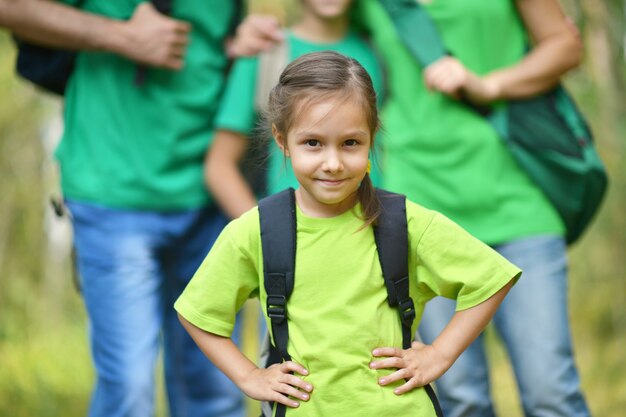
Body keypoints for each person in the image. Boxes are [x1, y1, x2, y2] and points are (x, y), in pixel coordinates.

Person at [174, 51, 521, 417]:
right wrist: (249, 377)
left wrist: (440, 353)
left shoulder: (402, 222)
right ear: (282, 141)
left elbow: (490, 279)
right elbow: (198, 313)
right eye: (313, 143)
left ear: (371, 138)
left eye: (350, 143)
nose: (333, 162)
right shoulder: (257, 230)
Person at [2, 1, 283, 417]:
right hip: (111, 193)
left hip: (208, 194)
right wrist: (121, 35)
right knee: (129, 391)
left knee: (214, 391)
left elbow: (204, 42)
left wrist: (235, 44)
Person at [355, 0, 592, 416]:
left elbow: (565, 46)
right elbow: (321, 24)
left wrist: (491, 84)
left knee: (551, 392)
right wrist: (252, 39)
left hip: (516, 196)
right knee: (460, 397)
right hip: (423, 207)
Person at [205, 0, 384, 219]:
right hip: (294, 231)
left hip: (369, 227)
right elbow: (219, 166)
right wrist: (268, 234)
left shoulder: (377, 50)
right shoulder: (266, 52)